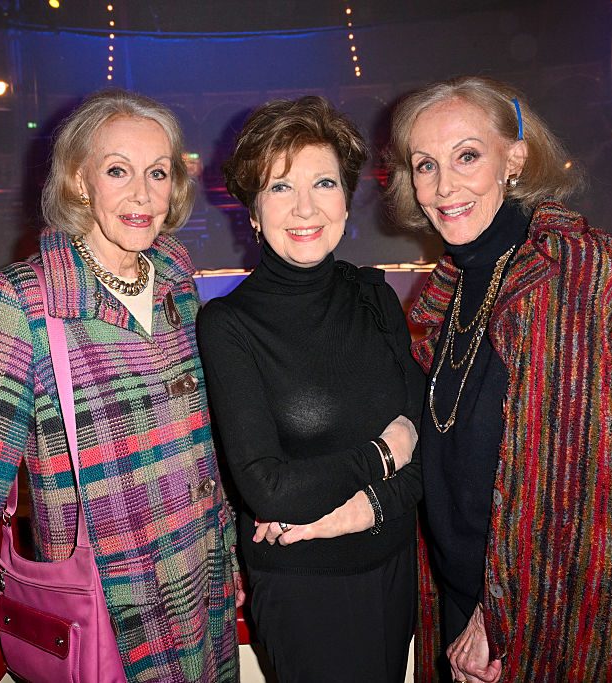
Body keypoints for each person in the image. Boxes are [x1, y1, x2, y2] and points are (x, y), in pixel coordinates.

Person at [0, 89, 241, 683]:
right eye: (118, 170)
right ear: (78, 180)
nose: (142, 195)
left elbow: (204, 448)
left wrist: (230, 563)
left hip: (204, 591)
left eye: (158, 172)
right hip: (113, 614)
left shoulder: (177, 282)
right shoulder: (26, 300)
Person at [386, 76, 612, 682]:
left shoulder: (582, 270)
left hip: (545, 615)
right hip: (457, 596)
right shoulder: (447, 290)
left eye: (467, 155)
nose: (444, 186)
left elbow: (595, 491)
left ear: (514, 159)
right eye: (426, 165)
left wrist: (504, 616)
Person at [196, 96, 424, 683]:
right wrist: (381, 455)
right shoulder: (229, 325)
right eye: (278, 187)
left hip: (394, 565)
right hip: (304, 589)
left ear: (347, 201)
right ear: (252, 212)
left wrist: (352, 513)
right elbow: (269, 489)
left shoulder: (375, 297)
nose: (304, 207)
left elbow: (426, 454)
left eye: (323, 182)